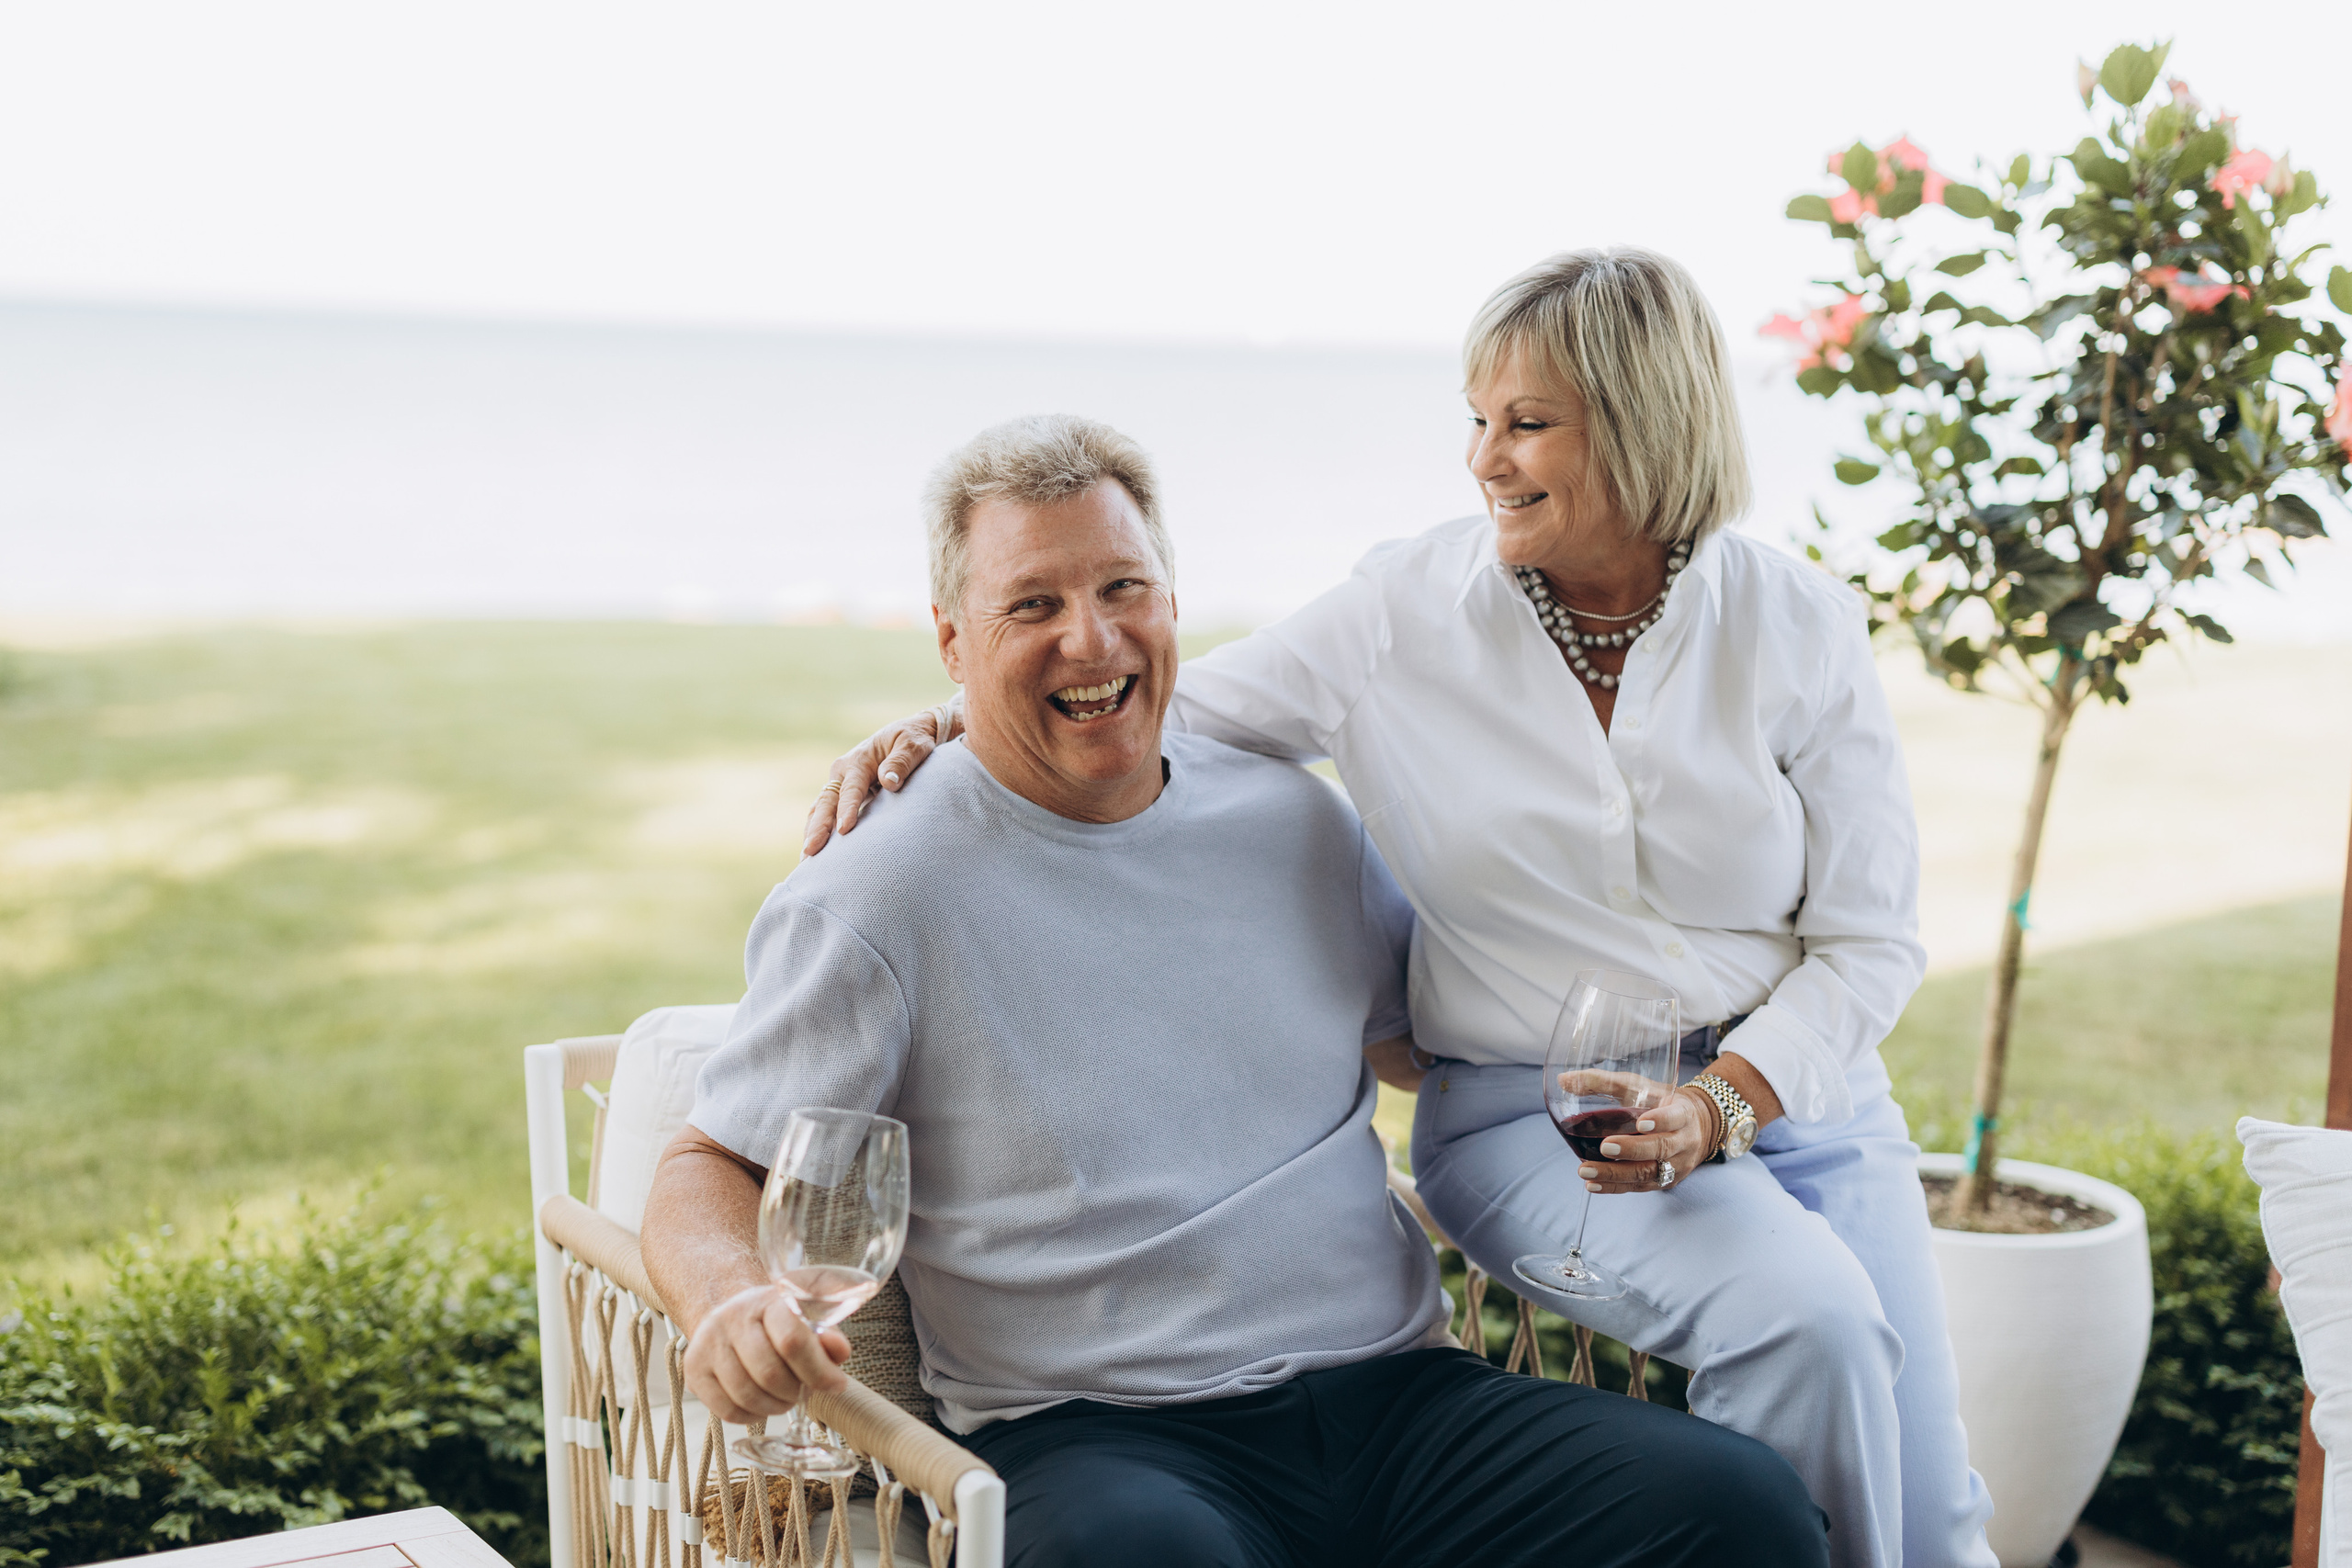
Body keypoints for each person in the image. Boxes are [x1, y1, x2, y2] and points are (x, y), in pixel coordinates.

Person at [805, 250, 1999, 1568]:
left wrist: (1730, 1101)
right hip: (1544, 1111)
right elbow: (1138, 707)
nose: (1486, 458)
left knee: (1936, 1517)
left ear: (1648, 424)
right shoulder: (1403, 613)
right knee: (1812, 1327)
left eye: (1528, 423)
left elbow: (1872, 940)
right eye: (1477, 421)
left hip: (1804, 1095)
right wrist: (956, 713)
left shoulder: (1799, 627)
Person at [641, 412, 1828, 1568]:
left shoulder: (1297, 823)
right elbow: (709, 1165)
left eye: (1121, 590)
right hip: (1102, 1442)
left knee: (1743, 1509)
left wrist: (1701, 1072)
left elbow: (1434, 1042)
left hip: (1405, 1405)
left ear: (1170, 599)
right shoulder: (876, 896)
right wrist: (729, 1299)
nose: (1092, 642)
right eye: (1034, 606)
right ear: (951, 644)